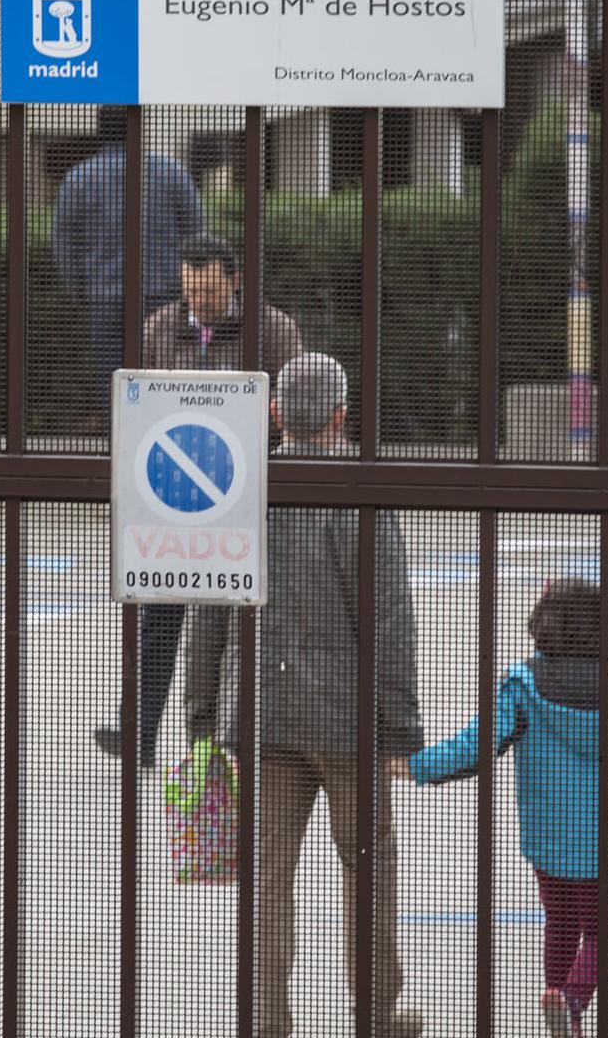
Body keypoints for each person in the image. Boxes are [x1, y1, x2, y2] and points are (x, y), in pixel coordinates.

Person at [183, 353, 424, 1038]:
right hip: (349, 722)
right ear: (342, 417)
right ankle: (374, 1014)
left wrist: (203, 711)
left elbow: (208, 608)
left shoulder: (240, 489)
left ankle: (266, 1020)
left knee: (267, 878)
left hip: (260, 714)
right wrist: (400, 729)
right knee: (368, 867)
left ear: (275, 413)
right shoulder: (361, 492)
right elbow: (390, 624)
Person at [410, 578, 608, 1038]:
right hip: (600, 840)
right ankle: (571, 1002)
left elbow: (476, 747)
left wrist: (417, 766)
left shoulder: (523, 684)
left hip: (548, 838)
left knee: (560, 919)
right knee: (604, 930)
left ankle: (556, 997)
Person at [95, 234, 305, 762]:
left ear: (235, 282)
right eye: (190, 290)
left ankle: (233, 740)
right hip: (176, 496)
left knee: (237, 625)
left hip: (245, 498)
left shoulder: (272, 329)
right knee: (158, 618)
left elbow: (296, 404)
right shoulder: (160, 327)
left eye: (210, 290)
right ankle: (138, 733)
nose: (199, 302)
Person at [51, 106, 205, 408]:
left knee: (116, 383)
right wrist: (190, 291)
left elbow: (64, 244)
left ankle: (119, 449)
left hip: (105, 298)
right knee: (165, 377)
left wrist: (81, 291)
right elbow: (197, 237)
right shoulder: (170, 172)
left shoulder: (79, 178)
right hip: (166, 295)